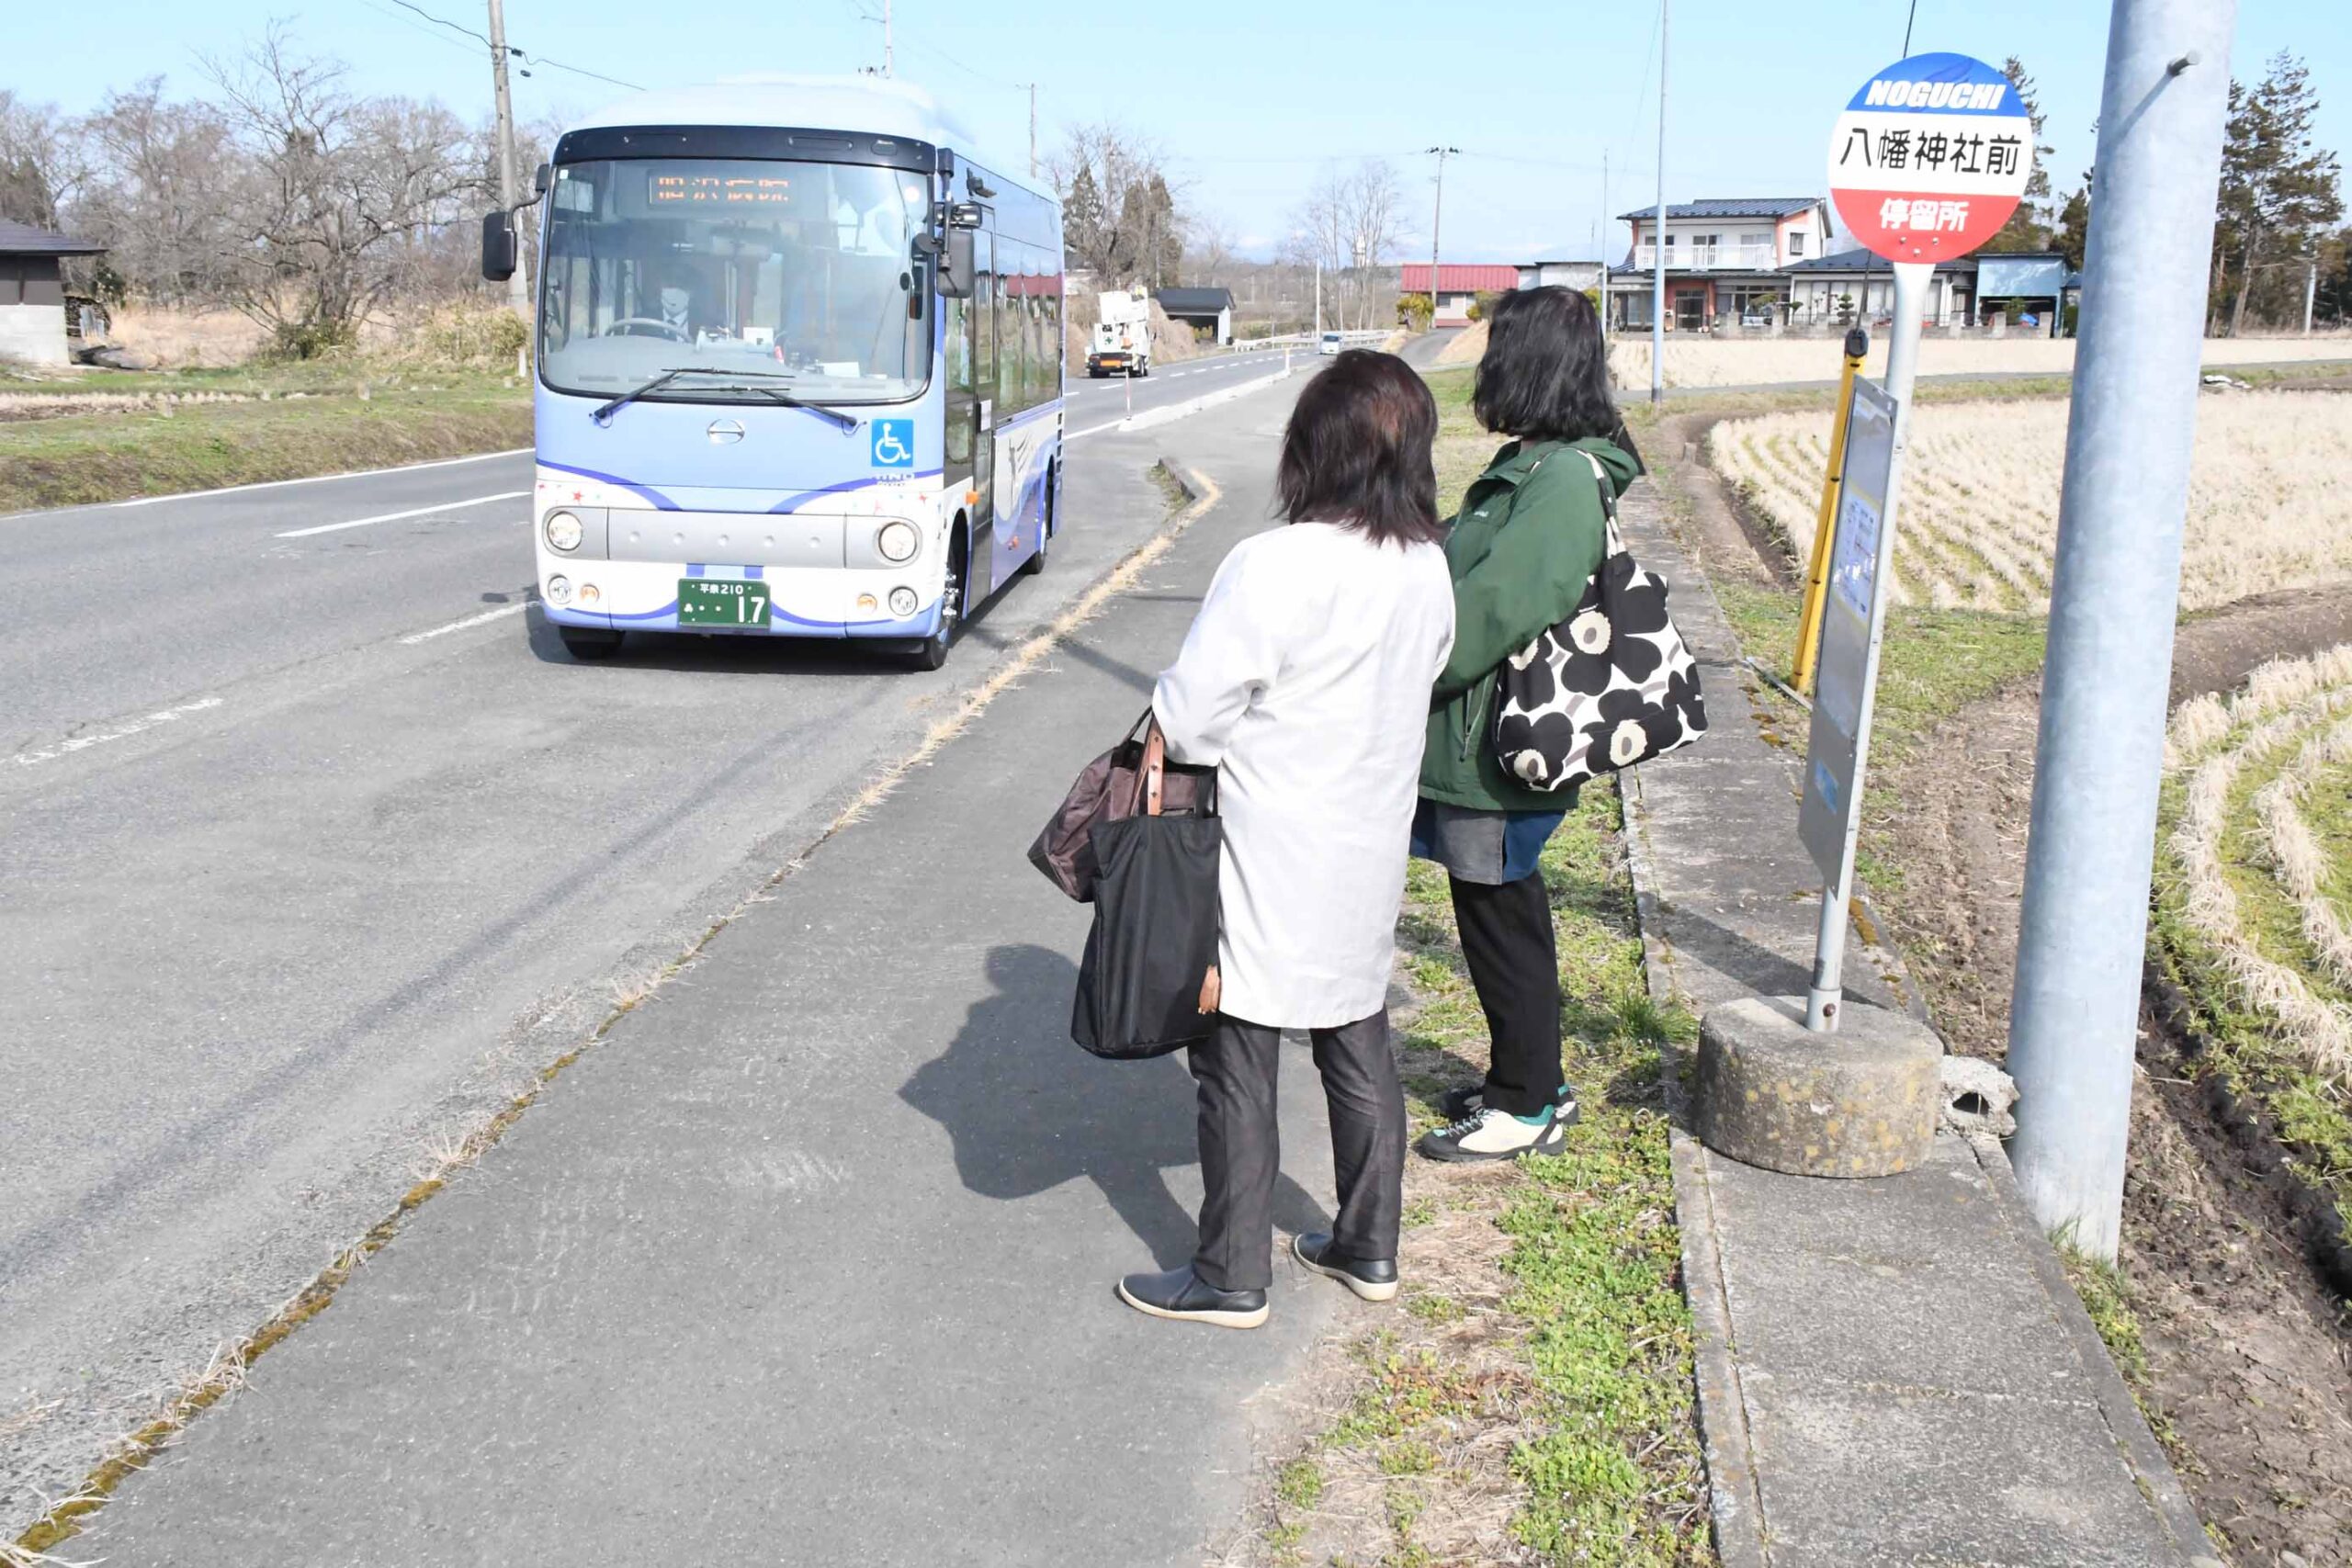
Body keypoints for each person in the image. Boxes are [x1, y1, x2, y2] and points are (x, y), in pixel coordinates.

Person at [1117, 351, 1456, 1330]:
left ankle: (1231, 1272)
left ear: (1313, 450)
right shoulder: (1427, 567)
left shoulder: (1276, 562)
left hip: (1266, 839)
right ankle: (1368, 1243)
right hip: (1368, 837)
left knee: (1237, 1045)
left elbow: (1191, 719)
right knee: (1355, 1029)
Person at [1410, 286, 1643, 1163]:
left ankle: (1526, 1102)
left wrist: (1404, 669)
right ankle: (1532, 1078)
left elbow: (1498, 608)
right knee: (1499, 909)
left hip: (1498, 747)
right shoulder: (1538, 464)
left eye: (1499, 349)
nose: (1487, 365)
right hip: (1482, 740)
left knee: (1501, 916)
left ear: (1531, 365)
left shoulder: (1562, 480)